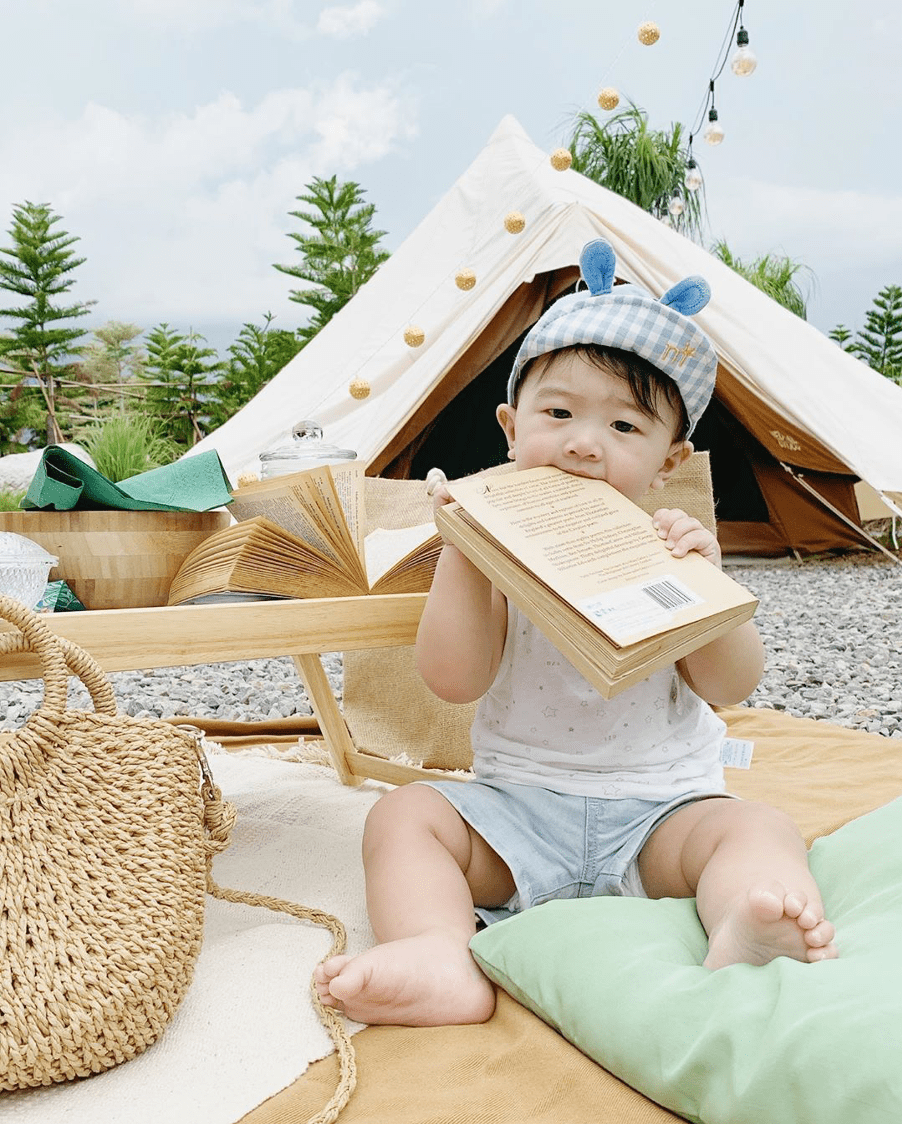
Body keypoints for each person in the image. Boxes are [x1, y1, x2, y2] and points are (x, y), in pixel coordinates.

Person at [314, 239, 837, 1028]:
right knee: (402, 817)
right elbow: (454, 680)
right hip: (518, 811)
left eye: (625, 426)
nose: (584, 443)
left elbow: (730, 685)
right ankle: (437, 951)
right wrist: (466, 554)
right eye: (557, 414)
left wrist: (706, 582)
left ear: (670, 459)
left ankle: (743, 924)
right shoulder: (495, 543)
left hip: (660, 817)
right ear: (510, 427)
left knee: (756, 826)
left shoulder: (668, 542)